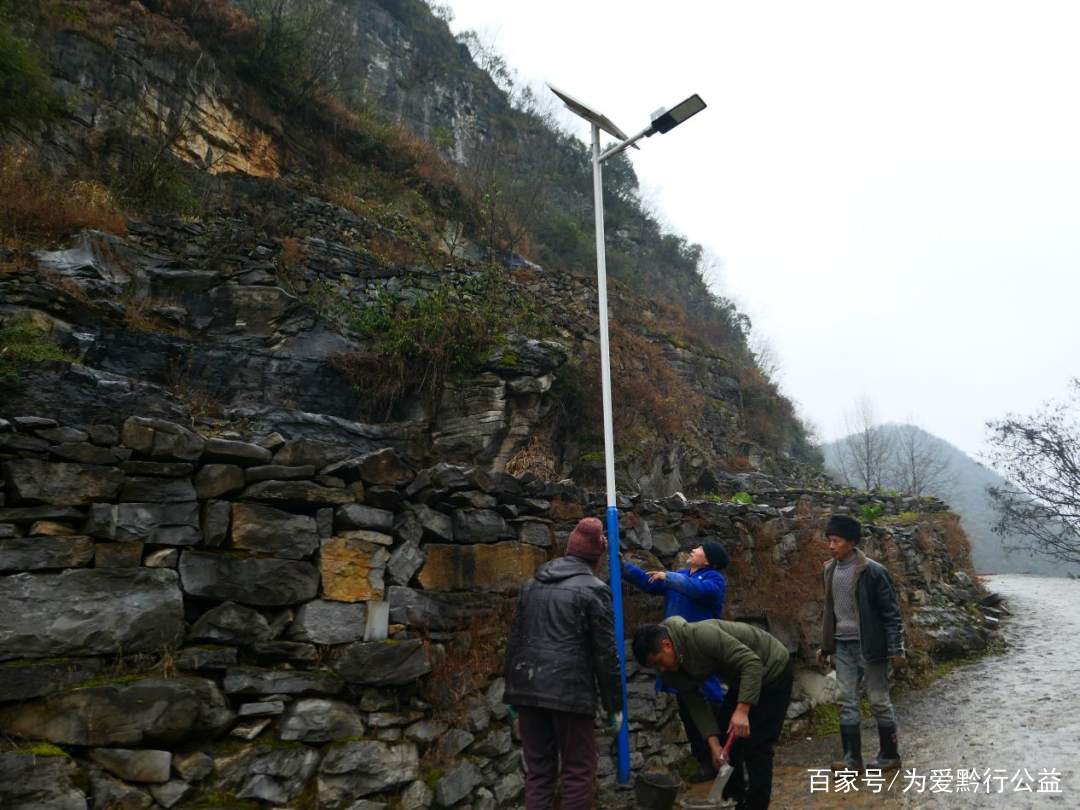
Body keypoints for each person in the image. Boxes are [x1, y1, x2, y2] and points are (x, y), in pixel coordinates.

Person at [503, 517, 623, 810]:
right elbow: (605, 653)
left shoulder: (531, 586)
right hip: (570, 694)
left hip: (528, 690)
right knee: (578, 771)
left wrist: (512, 693)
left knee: (539, 772)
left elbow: (515, 643)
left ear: (569, 549)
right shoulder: (594, 589)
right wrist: (613, 706)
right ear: (596, 559)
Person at [633, 617, 794, 810]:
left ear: (666, 644)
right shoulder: (669, 673)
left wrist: (742, 710)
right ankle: (734, 802)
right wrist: (715, 746)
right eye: (655, 667)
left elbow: (752, 662)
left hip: (772, 669)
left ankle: (756, 806)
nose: (660, 669)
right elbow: (696, 705)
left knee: (757, 746)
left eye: (659, 662)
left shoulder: (701, 636)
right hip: (741, 679)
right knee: (725, 739)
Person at [623, 540, 729, 781]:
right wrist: (625, 568)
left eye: (699, 549)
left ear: (708, 560)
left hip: (702, 655)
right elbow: (650, 582)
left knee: (712, 703)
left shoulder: (714, 581)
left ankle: (725, 755)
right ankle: (705, 760)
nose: (693, 550)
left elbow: (697, 590)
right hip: (677, 658)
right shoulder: (680, 575)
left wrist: (669, 577)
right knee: (688, 708)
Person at [814, 514, 905, 773]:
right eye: (829, 540)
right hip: (843, 646)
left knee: (878, 699)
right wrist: (826, 646)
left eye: (836, 541)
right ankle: (852, 759)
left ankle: (890, 754)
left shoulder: (873, 571)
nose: (831, 546)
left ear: (851, 542)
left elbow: (891, 614)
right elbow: (831, 611)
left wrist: (897, 649)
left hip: (871, 647)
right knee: (845, 699)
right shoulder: (829, 570)